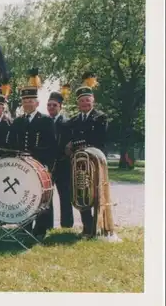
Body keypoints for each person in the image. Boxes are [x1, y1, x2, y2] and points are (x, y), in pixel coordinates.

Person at [9, 68, 57, 239]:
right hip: (22, 166)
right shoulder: (18, 122)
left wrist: (48, 166)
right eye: (25, 100)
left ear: (37, 103)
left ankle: (41, 229)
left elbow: (52, 146)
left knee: (42, 197)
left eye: (31, 100)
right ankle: (26, 227)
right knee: (25, 196)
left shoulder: (46, 121)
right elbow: (13, 143)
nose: (28, 103)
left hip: (40, 165)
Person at [64, 72, 108, 237]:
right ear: (78, 103)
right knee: (81, 193)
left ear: (93, 101)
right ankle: (87, 227)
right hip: (79, 164)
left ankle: (99, 226)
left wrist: (74, 144)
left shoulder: (100, 118)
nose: (84, 103)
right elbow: (67, 138)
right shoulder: (73, 121)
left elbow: (98, 139)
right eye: (81, 101)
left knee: (96, 194)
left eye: (87, 100)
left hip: (95, 163)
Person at [47, 89, 74, 228]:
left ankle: (67, 224)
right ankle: (48, 224)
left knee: (65, 195)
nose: (51, 108)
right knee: (47, 196)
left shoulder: (68, 123)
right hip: (47, 165)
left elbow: (72, 141)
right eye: (49, 105)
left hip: (63, 164)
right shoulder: (44, 122)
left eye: (54, 105)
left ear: (60, 107)